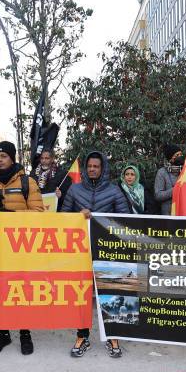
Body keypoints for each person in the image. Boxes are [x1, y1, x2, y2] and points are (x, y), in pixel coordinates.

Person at [0, 141, 44, 355]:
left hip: (21, 247)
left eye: (4, 156)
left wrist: (9, 215)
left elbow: (39, 213)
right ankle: (3, 332)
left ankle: (25, 332)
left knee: (21, 291)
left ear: (12, 158)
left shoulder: (27, 182)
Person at [61, 151, 130, 358]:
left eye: (96, 166)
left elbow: (125, 219)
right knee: (81, 296)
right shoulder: (74, 189)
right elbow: (63, 217)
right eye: (89, 166)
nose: (92, 169)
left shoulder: (114, 190)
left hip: (107, 250)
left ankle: (113, 336)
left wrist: (101, 219)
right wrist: (77, 217)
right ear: (85, 168)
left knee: (112, 293)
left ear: (103, 169)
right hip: (80, 252)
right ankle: (82, 336)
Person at [154, 144, 184, 215]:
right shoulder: (162, 172)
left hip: (185, 212)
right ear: (170, 158)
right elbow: (158, 195)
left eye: (181, 154)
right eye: (177, 155)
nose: (180, 156)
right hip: (169, 215)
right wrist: (175, 190)